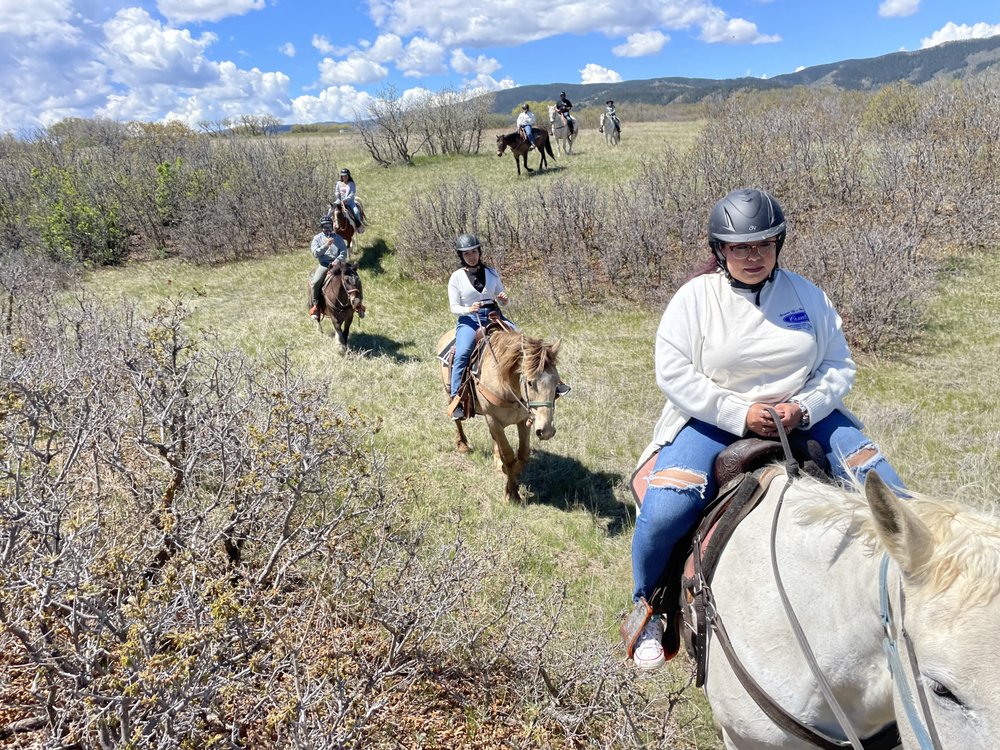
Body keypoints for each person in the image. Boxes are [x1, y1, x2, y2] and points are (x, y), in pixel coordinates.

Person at [627, 187, 907, 671]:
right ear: (720, 251)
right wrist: (739, 414)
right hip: (713, 418)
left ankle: (912, 600)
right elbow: (672, 372)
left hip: (805, 415)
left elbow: (838, 366)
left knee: (893, 495)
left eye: (762, 245)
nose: (752, 256)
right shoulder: (695, 299)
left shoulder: (806, 293)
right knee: (664, 511)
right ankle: (649, 606)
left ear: (779, 245)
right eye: (739, 247)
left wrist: (805, 406)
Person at [447, 234, 513, 420]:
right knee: (462, 353)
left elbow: (503, 297)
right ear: (461, 256)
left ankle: (551, 386)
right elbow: (454, 307)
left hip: (493, 316)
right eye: (467, 254)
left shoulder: (492, 273)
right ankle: (456, 400)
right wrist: (468, 309)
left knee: (522, 340)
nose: (471, 256)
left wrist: (504, 299)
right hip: (470, 320)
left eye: (474, 252)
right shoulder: (456, 277)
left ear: (479, 252)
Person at [309, 214, 349, 321]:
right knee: (315, 282)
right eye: (325, 226)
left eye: (329, 226)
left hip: (338, 265)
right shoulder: (317, 238)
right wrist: (326, 245)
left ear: (332, 226)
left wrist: (337, 260)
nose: (327, 228)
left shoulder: (338, 238)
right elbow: (315, 253)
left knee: (353, 277)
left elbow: (344, 251)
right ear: (322, 227)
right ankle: (316, 306)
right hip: (324, 265)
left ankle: (357, 304)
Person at [334, 168, 364, 233]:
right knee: (331, 211)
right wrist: (338, 196)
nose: (344, 177)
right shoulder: (338, 183)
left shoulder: (351, 183)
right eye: (343, 176)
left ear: (348, 176)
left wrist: (345, 199)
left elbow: (352, 194)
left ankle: (358, 226)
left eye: (346, 176)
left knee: (356, 212)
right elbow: (336, 191)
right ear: (341, 176)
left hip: (350, 202)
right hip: (339, 201)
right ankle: (331, 226)